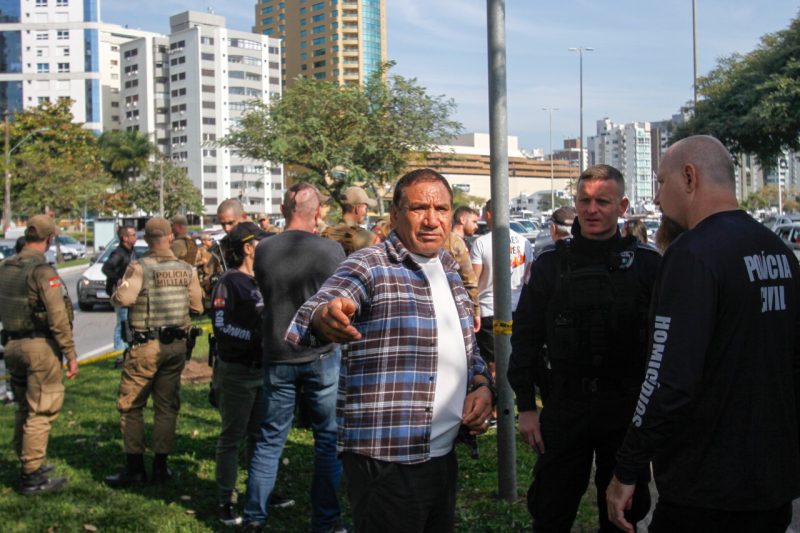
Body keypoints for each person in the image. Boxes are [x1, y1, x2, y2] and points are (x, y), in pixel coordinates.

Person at [606, 135, 800, 533]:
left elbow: (667, 378)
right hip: (774, 485)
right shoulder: (778, 252)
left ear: (689, 177)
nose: (657, 200)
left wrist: (628, 466)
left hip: (708, 492)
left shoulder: (692, 254)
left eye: (660, 184)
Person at [287, 168, 495, 532]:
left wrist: (480, 382)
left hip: (441, 456)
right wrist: (327, 318)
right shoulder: (370, 264)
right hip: (387, 460)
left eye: (442, 209)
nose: (432, 220)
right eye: (418, 209)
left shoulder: (447, 267)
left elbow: (467, 348)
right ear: (396, 215)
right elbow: (309, 317)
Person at [508, 164, 660, 532]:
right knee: (550, 510)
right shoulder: (550, 264)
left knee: (624, 513)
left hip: (624, 410)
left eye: (603, 201)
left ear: (622, 206)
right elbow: (525, 337)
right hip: (565, 408)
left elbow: (664, 345)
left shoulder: (648, 264)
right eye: (584, 200)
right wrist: (526, 407)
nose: (592, 210)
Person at [241, 183, 346, 533]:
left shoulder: (265, 249)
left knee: (270, 439)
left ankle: (255, 517)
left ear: (286, 211)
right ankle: (326, 522)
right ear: (317, 213)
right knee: (327, 440)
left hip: (278, 354)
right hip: (320, 353)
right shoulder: (330, 250)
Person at [105, 216, 203, 488]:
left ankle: (135, 468)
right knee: (166, 407)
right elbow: (197, 306)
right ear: (171, 237)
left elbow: (123, 299)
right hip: (175, 348)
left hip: (145, 347)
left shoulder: (139, 267)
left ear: (146, 239)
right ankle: (162, 468)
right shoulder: (186, 269)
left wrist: (117, 293)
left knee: (131, 406)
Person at [0, 215, 79, 495]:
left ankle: (28, 461)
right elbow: (58, 316)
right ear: (50, 238)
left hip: (11, 345)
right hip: (39, 347)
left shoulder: (6, 266)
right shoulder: (42, 272)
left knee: (24, 406)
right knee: (41, 410)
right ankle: (31, 475)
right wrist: (70, 353)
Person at [212, 221, 271, 526]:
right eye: (261, 242)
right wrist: (254, 338)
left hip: (263, 371)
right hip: (236, 372)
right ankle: (226, 499)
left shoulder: (262, 279)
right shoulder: (229, 282)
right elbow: (222, 326)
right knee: (232, 438)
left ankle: (259, 494)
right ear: (248, 248)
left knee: (259, 437)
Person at [470, 198, 533, 378]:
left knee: (493, 364)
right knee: (514, 357)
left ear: (489, 215)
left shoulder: (481, 243)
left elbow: (474, 281)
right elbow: (527, 278)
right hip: (517, 309)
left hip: (490, 311)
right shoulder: (524, 242)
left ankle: (497, 402)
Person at [102, 225, 138, 353]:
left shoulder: (132, 251)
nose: (136, 237)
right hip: (121, 295)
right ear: (125, 238)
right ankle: (118, 353)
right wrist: (118, 278)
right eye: (133, 235)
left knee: (129, 323)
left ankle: (128, 350)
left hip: (131, 294)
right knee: (122, 323)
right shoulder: (119, 253)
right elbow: (106, 268)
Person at [444, 206, 480, 328]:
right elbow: (470, 280)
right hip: (457, 309)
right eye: (474, 221)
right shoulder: (456, 243)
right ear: (462, 220)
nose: (477, 226)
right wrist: (476, 311)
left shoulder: (461, 242)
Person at [322, 186, 379, 255]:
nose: (366, 212)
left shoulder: (325, 233)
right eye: (365, 208)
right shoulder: (369, 238)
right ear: (357, 209)